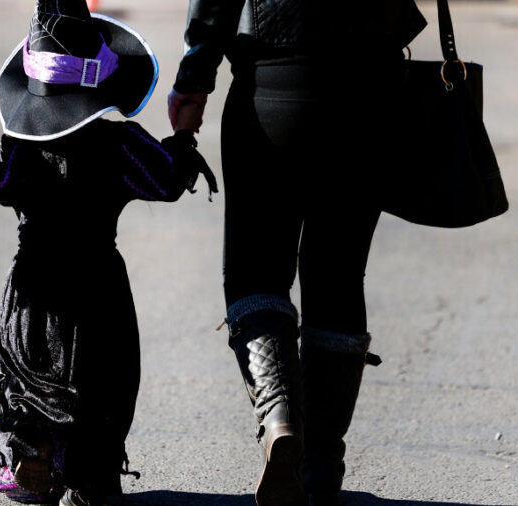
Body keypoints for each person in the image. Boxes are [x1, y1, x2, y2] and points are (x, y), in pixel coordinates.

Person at [0, 2, 215, 505]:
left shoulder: (20, 148)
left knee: (29, 379)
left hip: (32, 293)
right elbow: (169, 180)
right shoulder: (118, 144)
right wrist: (185, 135)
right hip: (97, 291)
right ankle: (92, 480)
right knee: (102, 387)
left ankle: (32, 454)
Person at [168, 2, 427, 506]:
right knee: (339, 272)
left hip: (272, 77)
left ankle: (280, 416)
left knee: (256, 270)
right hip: (372, 87)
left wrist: (195, 75)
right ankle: (322, 461)